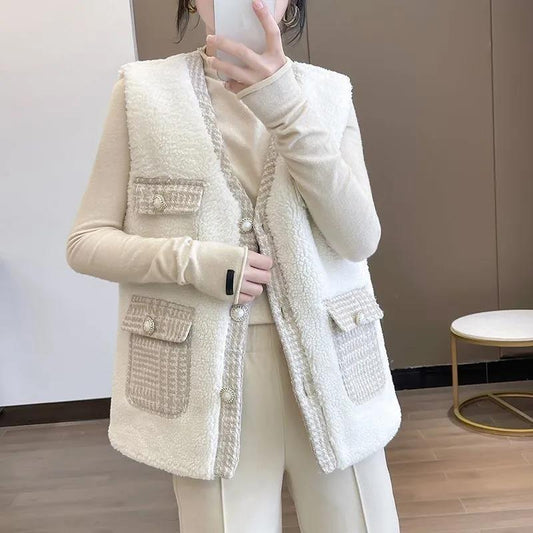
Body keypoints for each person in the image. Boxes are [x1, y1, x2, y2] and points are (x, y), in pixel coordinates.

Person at [66, 0, 402, 531]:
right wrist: (194, 262)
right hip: (205, 381)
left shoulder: (328, 93)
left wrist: (284, 106)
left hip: (333, 369)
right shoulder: (142, 92)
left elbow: (359, 238)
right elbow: (86, 242)